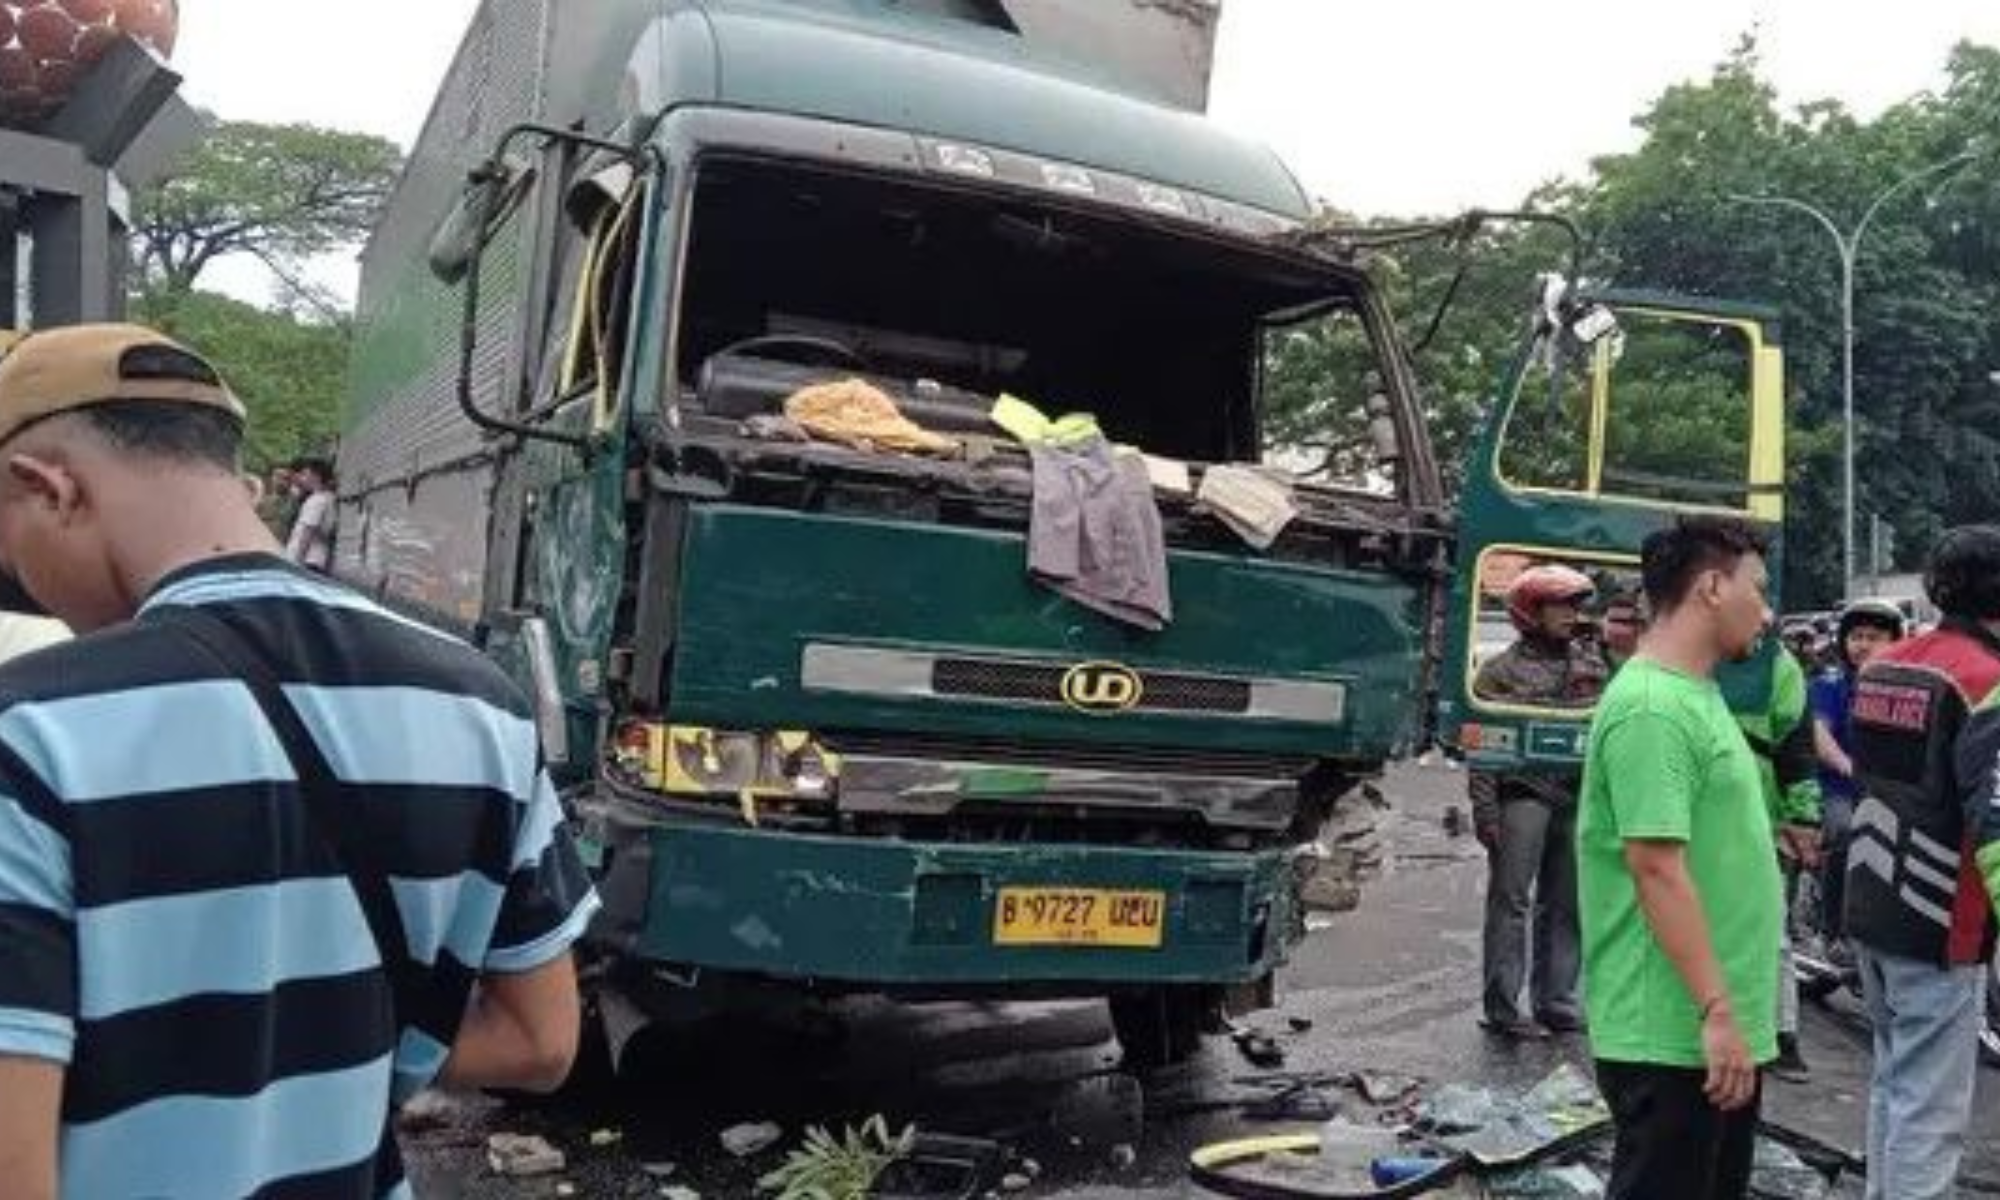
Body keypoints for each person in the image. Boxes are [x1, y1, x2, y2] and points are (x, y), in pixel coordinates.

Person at [0, 324, 598, 1200]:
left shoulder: (31, 729)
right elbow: (541, 1045)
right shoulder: (481, 705)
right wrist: (311, 1049)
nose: (25, 584)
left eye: (9, 556)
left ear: (46, 487)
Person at [1577, 516, 1780, 1200]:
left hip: (1710, 1027)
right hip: (1672, 1029)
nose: (1769, 609)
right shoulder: (1653, 709)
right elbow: (1655, 867)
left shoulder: (1695, 693)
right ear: (1713, 588)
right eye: (1759, 587)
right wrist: (1716, 1011)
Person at [1843, 527, 2000, 1200]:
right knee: (1929, 1114)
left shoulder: (1885, 666)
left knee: (1893, 1087)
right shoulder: (1985, 680)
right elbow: (1995, 819)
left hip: (1870, 902)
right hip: (1941, 922)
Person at [1470, 564, 1604, 1038]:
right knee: (1511, 902)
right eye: (1560, 605)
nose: (1571, 615)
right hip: (1521, 793)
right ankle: (1503, 1007)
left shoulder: (1593, 664)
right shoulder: (1498, 672)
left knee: (1566, 902)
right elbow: (1482, 746)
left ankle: (1557, 1001)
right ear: (1532, 611)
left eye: (1575, 605)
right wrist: (1484, 810)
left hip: (1577, 793)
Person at [1734, 639, 1822, 1082]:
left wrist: (1804, 815)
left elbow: (1797, 744)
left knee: (1773, 929)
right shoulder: (1679, 652)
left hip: (1761, 818)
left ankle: (1781, 1034)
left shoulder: (1778, 665)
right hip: (1690, 815)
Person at [1806, 599, 1905, 967]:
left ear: (1896, 641)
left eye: (1874, 637)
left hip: (1890, 791)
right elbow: (1819, 734)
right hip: (1837, 789)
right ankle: (1832, 933)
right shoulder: (1830, 684)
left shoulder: (1909, 688)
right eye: (1856, 636)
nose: (1862, 644)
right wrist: (1848, 766)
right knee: (1848, 832)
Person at [285, 455, 337, 572]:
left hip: (307, 562)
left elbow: (308, 532)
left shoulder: (318, 501)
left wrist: (298, 562)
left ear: (316, 476)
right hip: (312, 560)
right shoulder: (327, 497)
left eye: (305, 474)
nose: (303, 479)